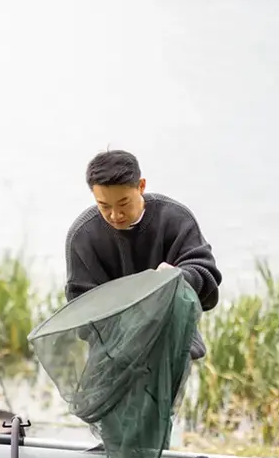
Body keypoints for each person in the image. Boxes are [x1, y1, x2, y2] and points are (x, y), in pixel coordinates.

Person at [64, 149, 223, 359]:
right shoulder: (82, 236)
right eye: (104, 206)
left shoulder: (175, 219)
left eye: (123, 203)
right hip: (113, 356)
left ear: (141, 186)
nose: (115, 215)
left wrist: (177, 278)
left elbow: (207, 279)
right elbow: (80, 306)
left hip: (174, 350)